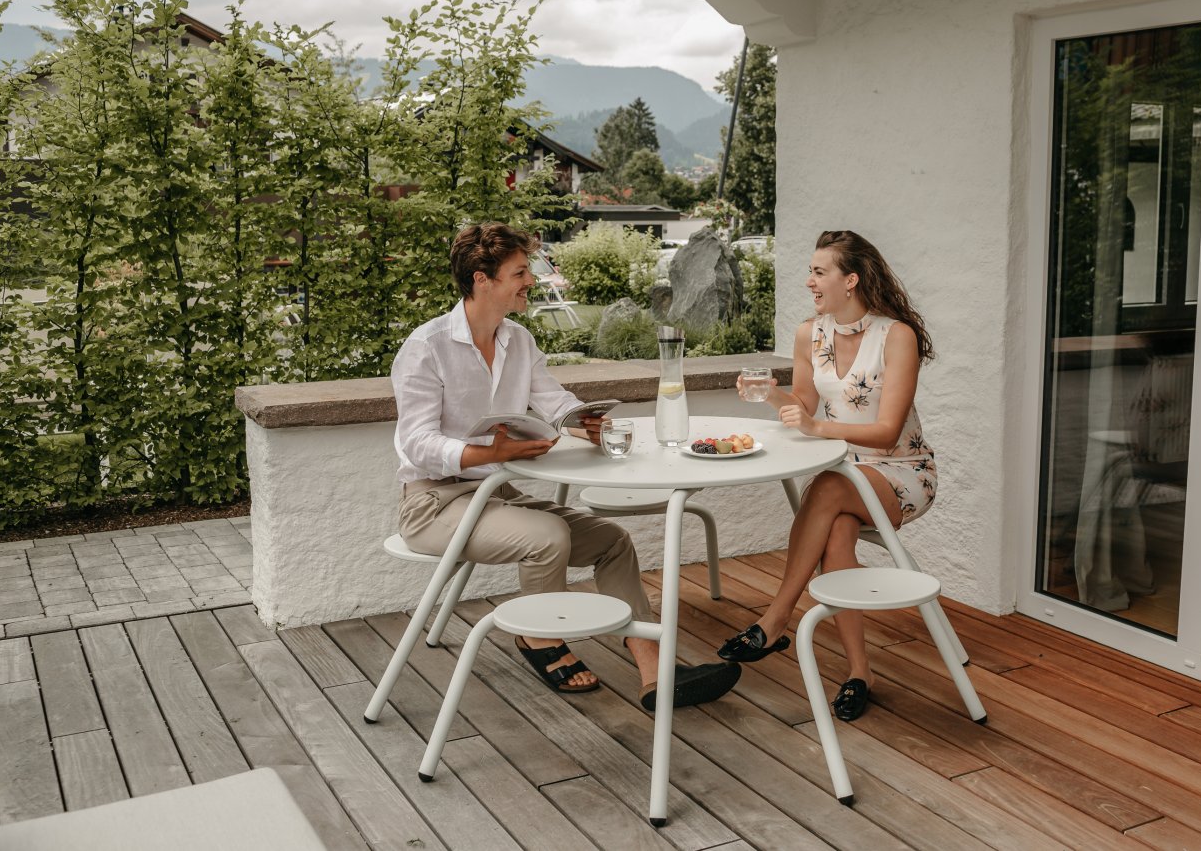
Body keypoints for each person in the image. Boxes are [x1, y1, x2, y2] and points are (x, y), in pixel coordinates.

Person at [392, 221, 740, 710]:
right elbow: (417, 443)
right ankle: (540, 638)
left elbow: (554, 403)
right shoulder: (427, 346)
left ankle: (656, 670)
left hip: (497, 496)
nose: (530, 281)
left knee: (612, 541)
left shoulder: (518, 341)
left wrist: (584, 423)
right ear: (482, 279)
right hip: (434, 504)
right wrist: (493, 454)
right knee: (548, 536)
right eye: (519, 272)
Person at [716, 229, 937, 722]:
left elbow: (886, 433)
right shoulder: (809, 334)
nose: (809, 281)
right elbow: (804, 404)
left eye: (819, 272)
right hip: (846, 476)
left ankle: (776, 618)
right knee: (836, 534)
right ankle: (860, 672)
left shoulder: (895, 336)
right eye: (810, 271)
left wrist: (816, 427)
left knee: (830, 485)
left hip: (901, 471)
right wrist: (771, 395)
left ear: (850, 280)